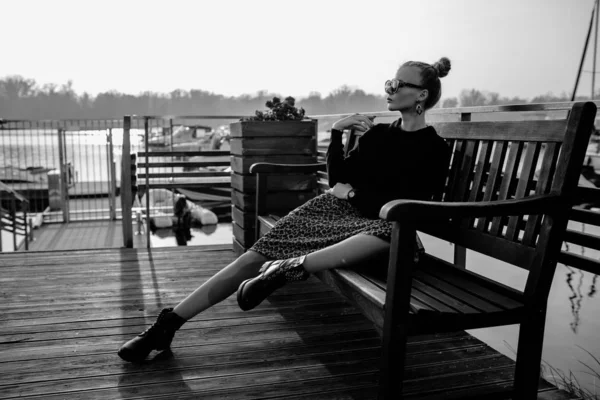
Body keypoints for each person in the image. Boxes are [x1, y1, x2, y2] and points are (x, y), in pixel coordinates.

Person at [117, 57, 453, 363]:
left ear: (421, 96)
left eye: (399, 84)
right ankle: (168, 324)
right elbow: (339, 181)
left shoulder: (434, 149)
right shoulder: (379, 135)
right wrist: (336, 134)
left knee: (389, 229)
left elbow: (404, 205)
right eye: (389, 83)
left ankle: (288, 269)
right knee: (252, 257)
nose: (390, 89)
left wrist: (353, 195)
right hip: (335, 212)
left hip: (382, 229)